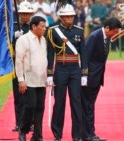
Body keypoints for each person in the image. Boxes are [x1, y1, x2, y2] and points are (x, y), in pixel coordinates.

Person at [46, 4, 87, 141]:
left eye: (71, 16)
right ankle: (57, 134)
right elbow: (50, 54)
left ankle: (77, 135)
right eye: (67, 16)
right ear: (61, 17)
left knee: (76, 103)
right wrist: (50, 74)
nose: (70, 18)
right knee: (59, 103)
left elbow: (84, 54)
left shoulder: (79, 31)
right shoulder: (53, 31)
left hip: (75, 70)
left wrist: (84, 73)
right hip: (60, 69)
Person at [81, 17, 122, 141]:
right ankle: (87, 135)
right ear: (107, 28)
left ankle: (90, 133)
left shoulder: (107, 38)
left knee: (90, 106)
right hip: (89, 78)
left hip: (97, 78)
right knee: (87, 107)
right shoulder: (94, 37)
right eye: (114, 31)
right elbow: (85, 57)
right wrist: (84, 76)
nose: (115, 34)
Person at [15, 16, 47, 141]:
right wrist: (21, 79)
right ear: (34, 26)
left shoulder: (43, 39)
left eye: (45, 27)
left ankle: (37, 136)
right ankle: (23, 130)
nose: (44, 29)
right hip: (28, 80)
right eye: (42, 27)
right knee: (30, 106)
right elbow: (18, 61)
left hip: (41, 80)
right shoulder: (23, 39)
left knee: (40, 108)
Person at [12, 0, 34, 132]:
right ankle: (19, 122)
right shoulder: (14, 26)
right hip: (18, 64)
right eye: (23, 13)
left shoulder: (34, 26)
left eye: (27, 13)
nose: (25, 16)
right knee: (18, 95)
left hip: (31, 65)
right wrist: (14, 37)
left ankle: (30, 122)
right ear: (19, 14)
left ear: (31, 14)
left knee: (31, 96)